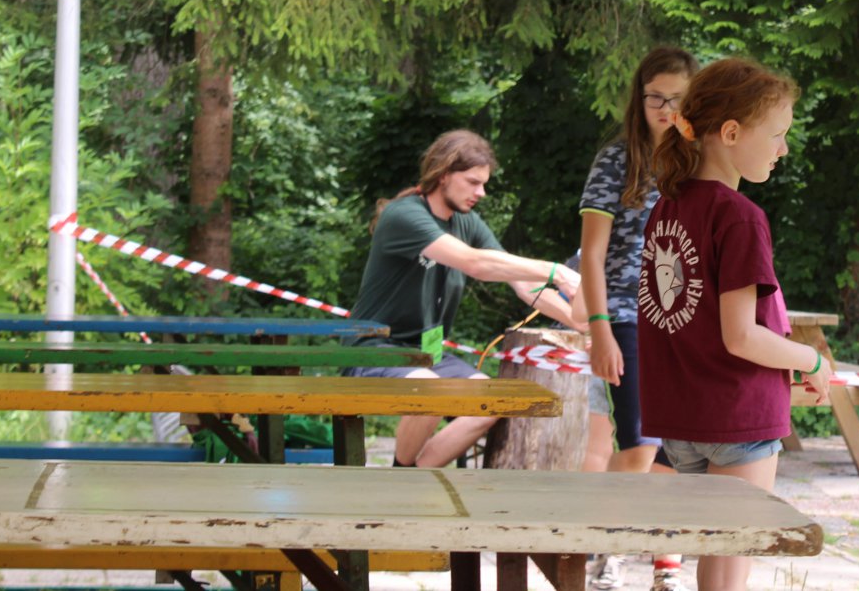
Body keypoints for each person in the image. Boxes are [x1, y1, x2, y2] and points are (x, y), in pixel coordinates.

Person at [636, 57, 832, 591]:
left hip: (682, 419)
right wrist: (812, 360)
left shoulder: (666, 209)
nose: (782, 149)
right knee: (732, 562)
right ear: (730, 132)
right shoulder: (740, 215)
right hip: (736, 418)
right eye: (777, 135)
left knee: (713, 557)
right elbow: (740, 336)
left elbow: (681, 322)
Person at [344, 129, 580, 469]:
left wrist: (587, 325)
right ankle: (401, 473)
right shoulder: (405, 216)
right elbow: (476, 263)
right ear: (443, 175)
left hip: (428, 354)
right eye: (472, 182)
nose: (481, 192)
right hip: (373, 348)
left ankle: (410, 480)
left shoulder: (466, 222)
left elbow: (524, 285)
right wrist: (558, 272)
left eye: (483, 183)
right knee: (432, 389)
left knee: (491, 401)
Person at [577, 46, 697, 591]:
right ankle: (603, 553)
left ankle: (665, 565)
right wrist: (600, 327)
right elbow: (592, 255)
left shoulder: (699, 160)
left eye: (677, 99)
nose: (665, 109)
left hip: (684, 320)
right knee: (639, 445)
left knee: (678, 448)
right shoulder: (615, 160)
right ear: (639, 97)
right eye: (656, 97)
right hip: (626, 315)